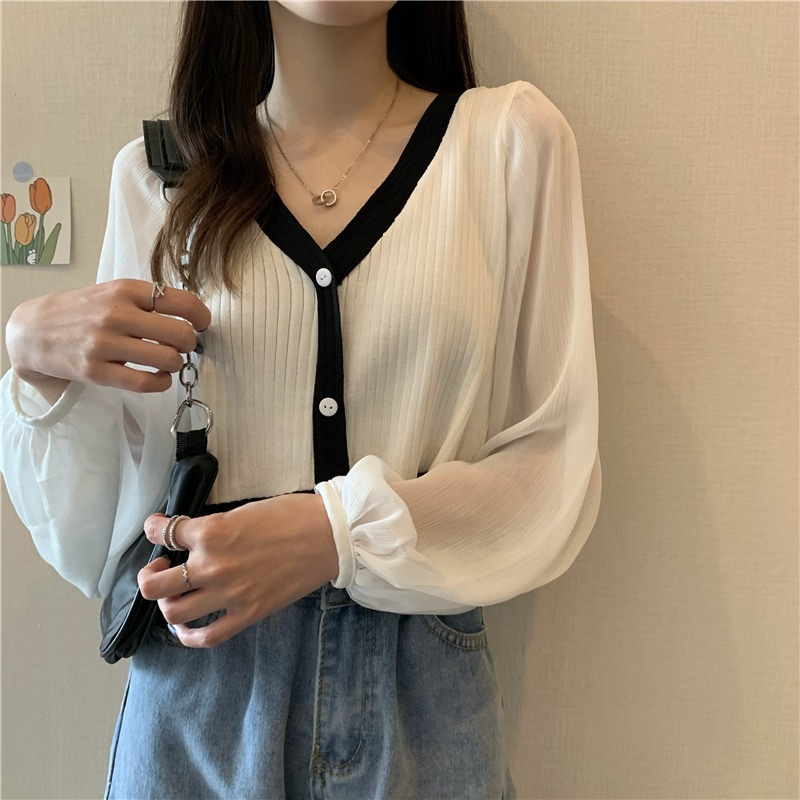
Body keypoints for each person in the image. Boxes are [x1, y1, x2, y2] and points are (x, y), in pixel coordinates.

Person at [0, 1, 603, 798]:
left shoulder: (507, 144)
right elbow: (104, 531)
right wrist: (32, 360)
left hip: (419, 692)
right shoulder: (160, 177)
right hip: (199, 697)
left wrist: (336, 531)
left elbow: (551, 464)